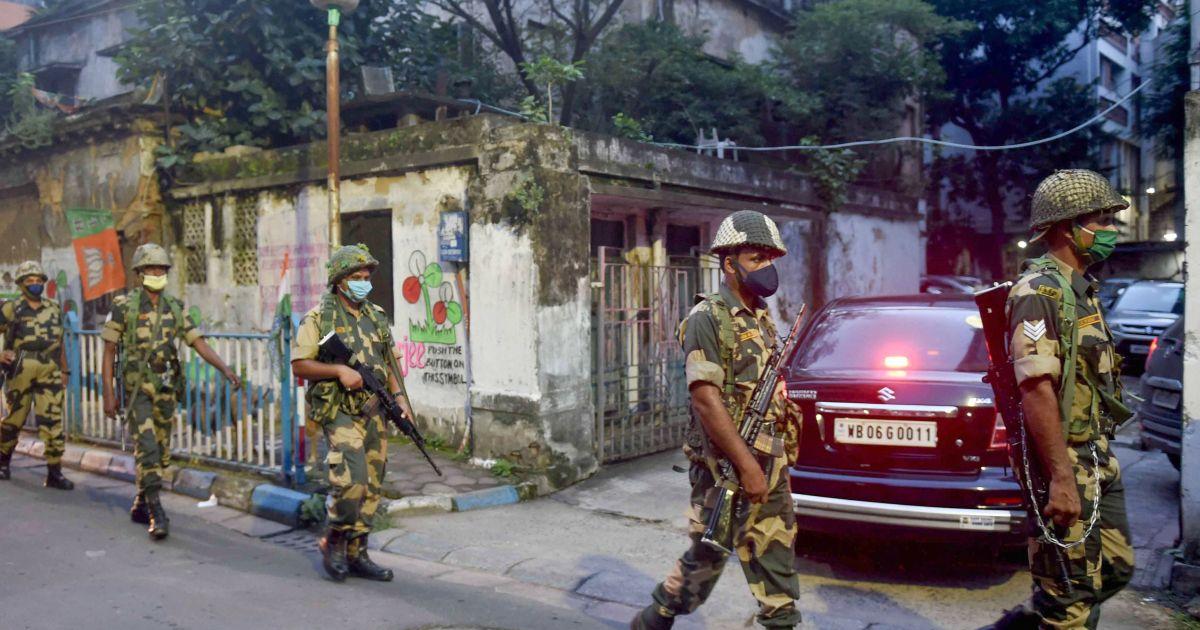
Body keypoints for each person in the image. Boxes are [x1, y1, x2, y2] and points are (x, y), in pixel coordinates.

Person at [632, 210, 803, 629]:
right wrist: (747, 467)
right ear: (729, 264)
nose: (766, 267)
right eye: (755, 258)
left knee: (775, 553)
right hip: (724, 465)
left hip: (769, 458)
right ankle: (658, 614)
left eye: (769, 258)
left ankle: (781, 619)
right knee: (709, 552)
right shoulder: (707, 318)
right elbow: (706, 400)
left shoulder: (760, 315)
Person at [998, 169, 1135, 629]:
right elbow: (1035, 389)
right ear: (1066, 227)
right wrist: (1059, 476)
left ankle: (1033, 619)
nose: (1111, 231)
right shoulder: (1039, 292)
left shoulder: (1081, 289)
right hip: (1065, 462)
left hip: (1096, 455)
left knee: (1115, 568)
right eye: (1102, 221)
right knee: (1069, 601)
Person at [101, 243, 241, 540]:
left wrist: (224, 368)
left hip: (165, 389)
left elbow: (197, 342)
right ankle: (156, 511)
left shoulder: (175, 307)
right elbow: (109, 350)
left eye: (161, 269)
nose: (157, 273)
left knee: (161, 453)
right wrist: (108, 394)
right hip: (137, 390)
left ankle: (141, 501)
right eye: (151, 268)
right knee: (148, 448)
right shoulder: (124, 305)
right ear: (139, 273)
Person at [291, 244, 413, 582]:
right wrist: (338, 371)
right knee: (351, 480)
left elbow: (390, 363)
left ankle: (358, 552)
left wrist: (401, 400)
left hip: (375, 411)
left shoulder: (376, 315)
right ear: (340, 280)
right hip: (340, 410)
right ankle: (335, 538)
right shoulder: (318, 318)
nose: (364, 282)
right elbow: (299, 365)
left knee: (372, 484)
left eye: (366, 276)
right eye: (357, 277)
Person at [0, 260, 73, 489]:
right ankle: (3, 461)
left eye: (39, 280)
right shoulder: (11, 308)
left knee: (52, 420)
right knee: (15, 418)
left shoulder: (53, 308)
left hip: (49, 368)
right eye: (30, 280)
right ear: (21, 284)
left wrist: (65, 369)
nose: (35, 284)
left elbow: (60, 341)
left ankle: (54, 472)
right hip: (20, 367)